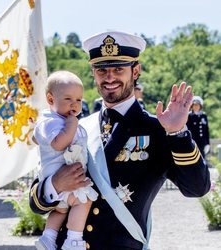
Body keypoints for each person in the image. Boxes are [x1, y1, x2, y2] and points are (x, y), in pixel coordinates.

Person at [29, 31, 211, 250]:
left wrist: (179, 133)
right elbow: (36, 202)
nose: (109, 77)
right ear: (93, 73)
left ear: (136, 71)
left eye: (118, 69)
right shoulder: (78, 127)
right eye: (102, 70)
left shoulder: (157, 129)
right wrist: (55, 184)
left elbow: (197, 188)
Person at [33, 70, 98, 250]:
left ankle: (48, 237)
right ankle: (73, 240)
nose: (75, 105)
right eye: (68, 99)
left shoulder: (50, 120)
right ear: (51, 99)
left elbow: (36, 138)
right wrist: (71, 126)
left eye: (78, 100)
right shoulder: (57, 121)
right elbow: (58, 143)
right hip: (60, 176)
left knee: (60, 210)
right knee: (82, 201)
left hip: (60, 175)